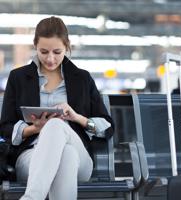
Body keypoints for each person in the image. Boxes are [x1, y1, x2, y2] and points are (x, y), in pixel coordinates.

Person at [0, 16, 114, 200]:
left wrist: (78, 118)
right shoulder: (18, 78)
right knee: (65, 156)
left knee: (56, 127)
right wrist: (34, 129)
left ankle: (32, 197)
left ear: (67, 47)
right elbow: (5, 128)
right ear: (35, 45)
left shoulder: (82, 79)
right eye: (43, 52)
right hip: (31, 157)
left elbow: (107, 129)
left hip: (80, 158)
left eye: (57, 51)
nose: (50, 58)